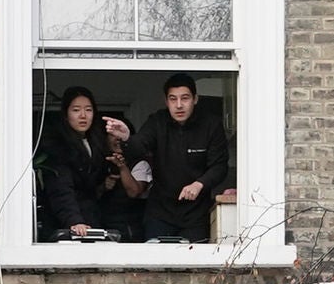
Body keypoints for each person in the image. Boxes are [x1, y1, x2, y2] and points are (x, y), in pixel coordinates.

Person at [122, 74, 232, 243]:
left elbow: (219, 166)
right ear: (166, 101)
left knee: (195, 265)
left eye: (185, 98)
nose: (179, 105)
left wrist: (199, 184)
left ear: (195, 99)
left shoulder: (210, 124)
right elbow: (139, 146)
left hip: (196, 213)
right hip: (160, 212)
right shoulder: (157, 122)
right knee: (155, 264)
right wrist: (127, 137)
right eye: (173, 99)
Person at [34, 84, 136, 242]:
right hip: (67, 225)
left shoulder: (96, 142)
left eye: (88, 110)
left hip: (93, 218)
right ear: (66, 114)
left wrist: (104, 184)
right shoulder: (57, 145)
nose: (83, 115)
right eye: (76, 110)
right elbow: (60, 189)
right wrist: (73, 221)